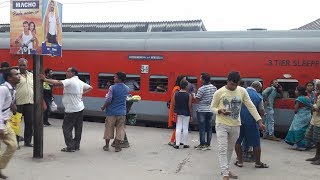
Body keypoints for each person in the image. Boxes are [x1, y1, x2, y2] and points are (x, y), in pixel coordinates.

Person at [210, 71, 265, 180]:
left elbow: (251, 106)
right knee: (222, 148)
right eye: (231, 84)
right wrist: (219, 110)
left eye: (236, 84)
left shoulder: (242, 91)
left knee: (230, 149)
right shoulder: (219, 92)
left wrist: (259, 121)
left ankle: (226, 169)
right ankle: (225, 174)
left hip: (235, 125)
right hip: (222, 124)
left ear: (239, 83)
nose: (233, 87)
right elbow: (211, 108)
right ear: (227, 81)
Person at [40, 67, 93, 152]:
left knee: (66, 128)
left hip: (71, 110)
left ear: (73, 73)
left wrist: (45, 79)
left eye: (68, 71)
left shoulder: (70, 80)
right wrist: (81, 94)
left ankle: (70, 147)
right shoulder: (79, 81)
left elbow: (57, 82)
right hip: (80, 108)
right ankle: (76, 145)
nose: (66, 73)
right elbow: (90, 87)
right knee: (78, 128)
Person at [234, 81, 269, 168]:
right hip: (252, 122)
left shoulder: (240, 92)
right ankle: (257, 163)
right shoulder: (258, 96)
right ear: (258, 88)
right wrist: (262, 116)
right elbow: (261, 110)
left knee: (238, 140)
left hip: (238, 121)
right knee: (256, 143)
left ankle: (240, 161)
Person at [100, 72, 129, 152]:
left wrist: (103, 107)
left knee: (109, 128)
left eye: (115, 77)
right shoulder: (127, 88)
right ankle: (117, 147)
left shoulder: (112, 88)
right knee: (120, 129)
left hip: (111, 112)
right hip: (122, 112)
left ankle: (106, 146)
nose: (114, 78)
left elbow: (109, 99)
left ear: (119, 79)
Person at [0, 67, 20, 179]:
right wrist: (0, 127)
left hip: (6, 121)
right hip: (1, 123)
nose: (19, 76)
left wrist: (13, 106)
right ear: (9, 78)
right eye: (16, 74)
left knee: (13, 145)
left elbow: (7, 102)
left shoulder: (13, 89)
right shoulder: (2, 89)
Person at [193, 72, 217, 150]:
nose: (200, 79)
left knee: (202, 128)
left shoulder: (201, 89)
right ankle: (208, 144)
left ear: (203, 80)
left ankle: (202, 144)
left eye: (201, 78)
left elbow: (197, 100)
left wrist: (193, 95)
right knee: (209, 127)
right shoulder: (214, 88)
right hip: (210, 110)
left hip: (201, 110)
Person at [285, 86, 312, 150]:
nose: (295, 92)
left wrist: (295, 108)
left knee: (297, 130)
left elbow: (296, 110)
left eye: (296, 90)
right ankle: (307, 144)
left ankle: (301, 145)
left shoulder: (299, 99)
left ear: (300, 92)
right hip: (308, 116)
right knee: (305, 130)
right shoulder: (307, 98)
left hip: (300, 117)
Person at [15, 58, 34, 147]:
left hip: (29, 103)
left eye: (24, 65)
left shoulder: (31, 75)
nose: (22, 67)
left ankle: (27, 141)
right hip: (18, 103)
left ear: (27, 66)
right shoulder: (15, 75)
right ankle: (15, 143)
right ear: (18, 65)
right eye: (21, 65)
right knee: (16, 123)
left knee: (29, 123)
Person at [172, 80, 192, 149]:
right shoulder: (188, 95)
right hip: (186, 113)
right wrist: (191, 115)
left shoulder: (176, 94)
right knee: (185, 128)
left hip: (178, 113)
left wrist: (175, 111)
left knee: (178, 127)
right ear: (186, 86)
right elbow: (189, 106)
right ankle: (185, 144)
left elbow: (173, 103)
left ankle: (177, 144)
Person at [168, 75, 187, 146]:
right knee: (177, 126)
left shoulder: (177, 88)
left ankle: (177, 140)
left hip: (176, 109)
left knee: (178, 126)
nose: (186, 81)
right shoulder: (176, 89)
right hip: (175, 110)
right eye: (184, 80)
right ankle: (172, 141)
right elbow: (174, 100)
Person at [305, 80, 320, 165]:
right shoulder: (317, 96)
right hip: (315, 120)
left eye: (317, 86)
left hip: (318, 121)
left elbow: (315, 108)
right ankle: (317, 156)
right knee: (317, 140)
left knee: (319, 140)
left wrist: (313, 106)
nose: (315, 87)